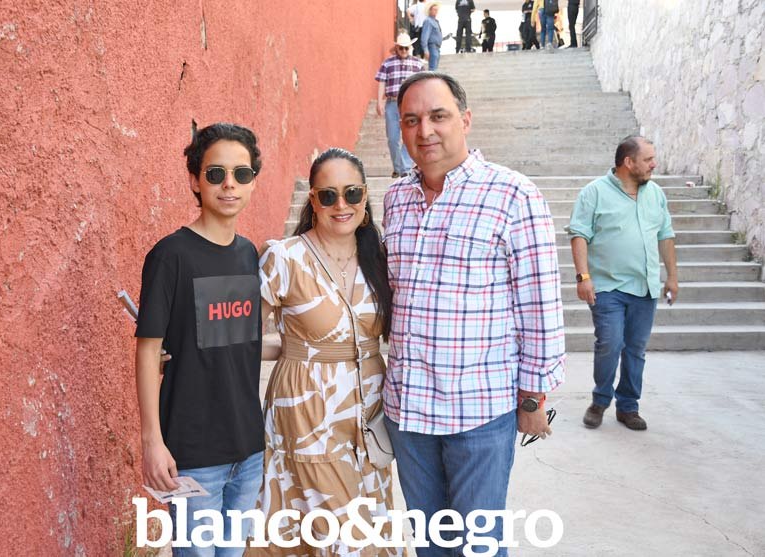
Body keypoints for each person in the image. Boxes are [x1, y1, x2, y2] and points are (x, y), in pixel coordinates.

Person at [383, 72, 566, 556]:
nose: (425, 131)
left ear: (465, 120)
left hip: (479, 412)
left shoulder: (513, 194)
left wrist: (533, 399)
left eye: (438, 116)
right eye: (411, 120)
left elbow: (539, 306)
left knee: (479, 544)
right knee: (429, 542)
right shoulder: (396, 199)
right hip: (409, 410)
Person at [249, 148, 398, 555]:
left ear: (365, 197)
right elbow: (243, 336)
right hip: (309, 413)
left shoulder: (379, 257)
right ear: (313, 200)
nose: (341, 205)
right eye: (328, 195)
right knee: (349, 540)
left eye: (352, 193)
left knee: (369, 525)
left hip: (369, 418)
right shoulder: (284, 257)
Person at [135, 122, 265, 557]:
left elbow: (238, 342)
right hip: (193, 454)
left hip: (248, 450)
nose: (229, 184)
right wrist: (153, 443)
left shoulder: (248, 254)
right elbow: (147, 351)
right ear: (195, 180)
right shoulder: (170, 255)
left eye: (241, 174)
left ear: (252, 181)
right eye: (215, 173)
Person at [568, 136, 678, 432]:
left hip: (645, 287)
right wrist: (583, 277)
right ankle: (600, 401)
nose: (654, 164)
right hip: (607, 287)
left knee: (636, 350)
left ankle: (628, 407)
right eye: (648, 159)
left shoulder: (655, 193)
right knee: (610, 343)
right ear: (628, 162)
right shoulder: (594, 192)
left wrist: (672, 276)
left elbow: (665, 235)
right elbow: (579, 235)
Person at [376, 33, 424, 179]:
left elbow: (422, 85)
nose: (403, 51)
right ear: (396, 48)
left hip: (410, 104)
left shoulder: (418, 64)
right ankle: (398, 167)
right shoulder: (387, 63)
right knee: (392, 138)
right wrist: (379, 101)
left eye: (406, 48)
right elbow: (382, 82)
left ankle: (405, 168)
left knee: (410, 135)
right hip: (392, 103)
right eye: (401, 48)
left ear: (410, 48)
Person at [421, 2, 444, 71]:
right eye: (434, 9)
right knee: (432, 69)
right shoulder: (428, 21)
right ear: (430, 10)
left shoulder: (435, 21)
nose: (436, 11)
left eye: (437, 9)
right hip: (432, 47)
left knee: (435, 69)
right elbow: (424, 36)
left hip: (437, 47)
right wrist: (425, 50)